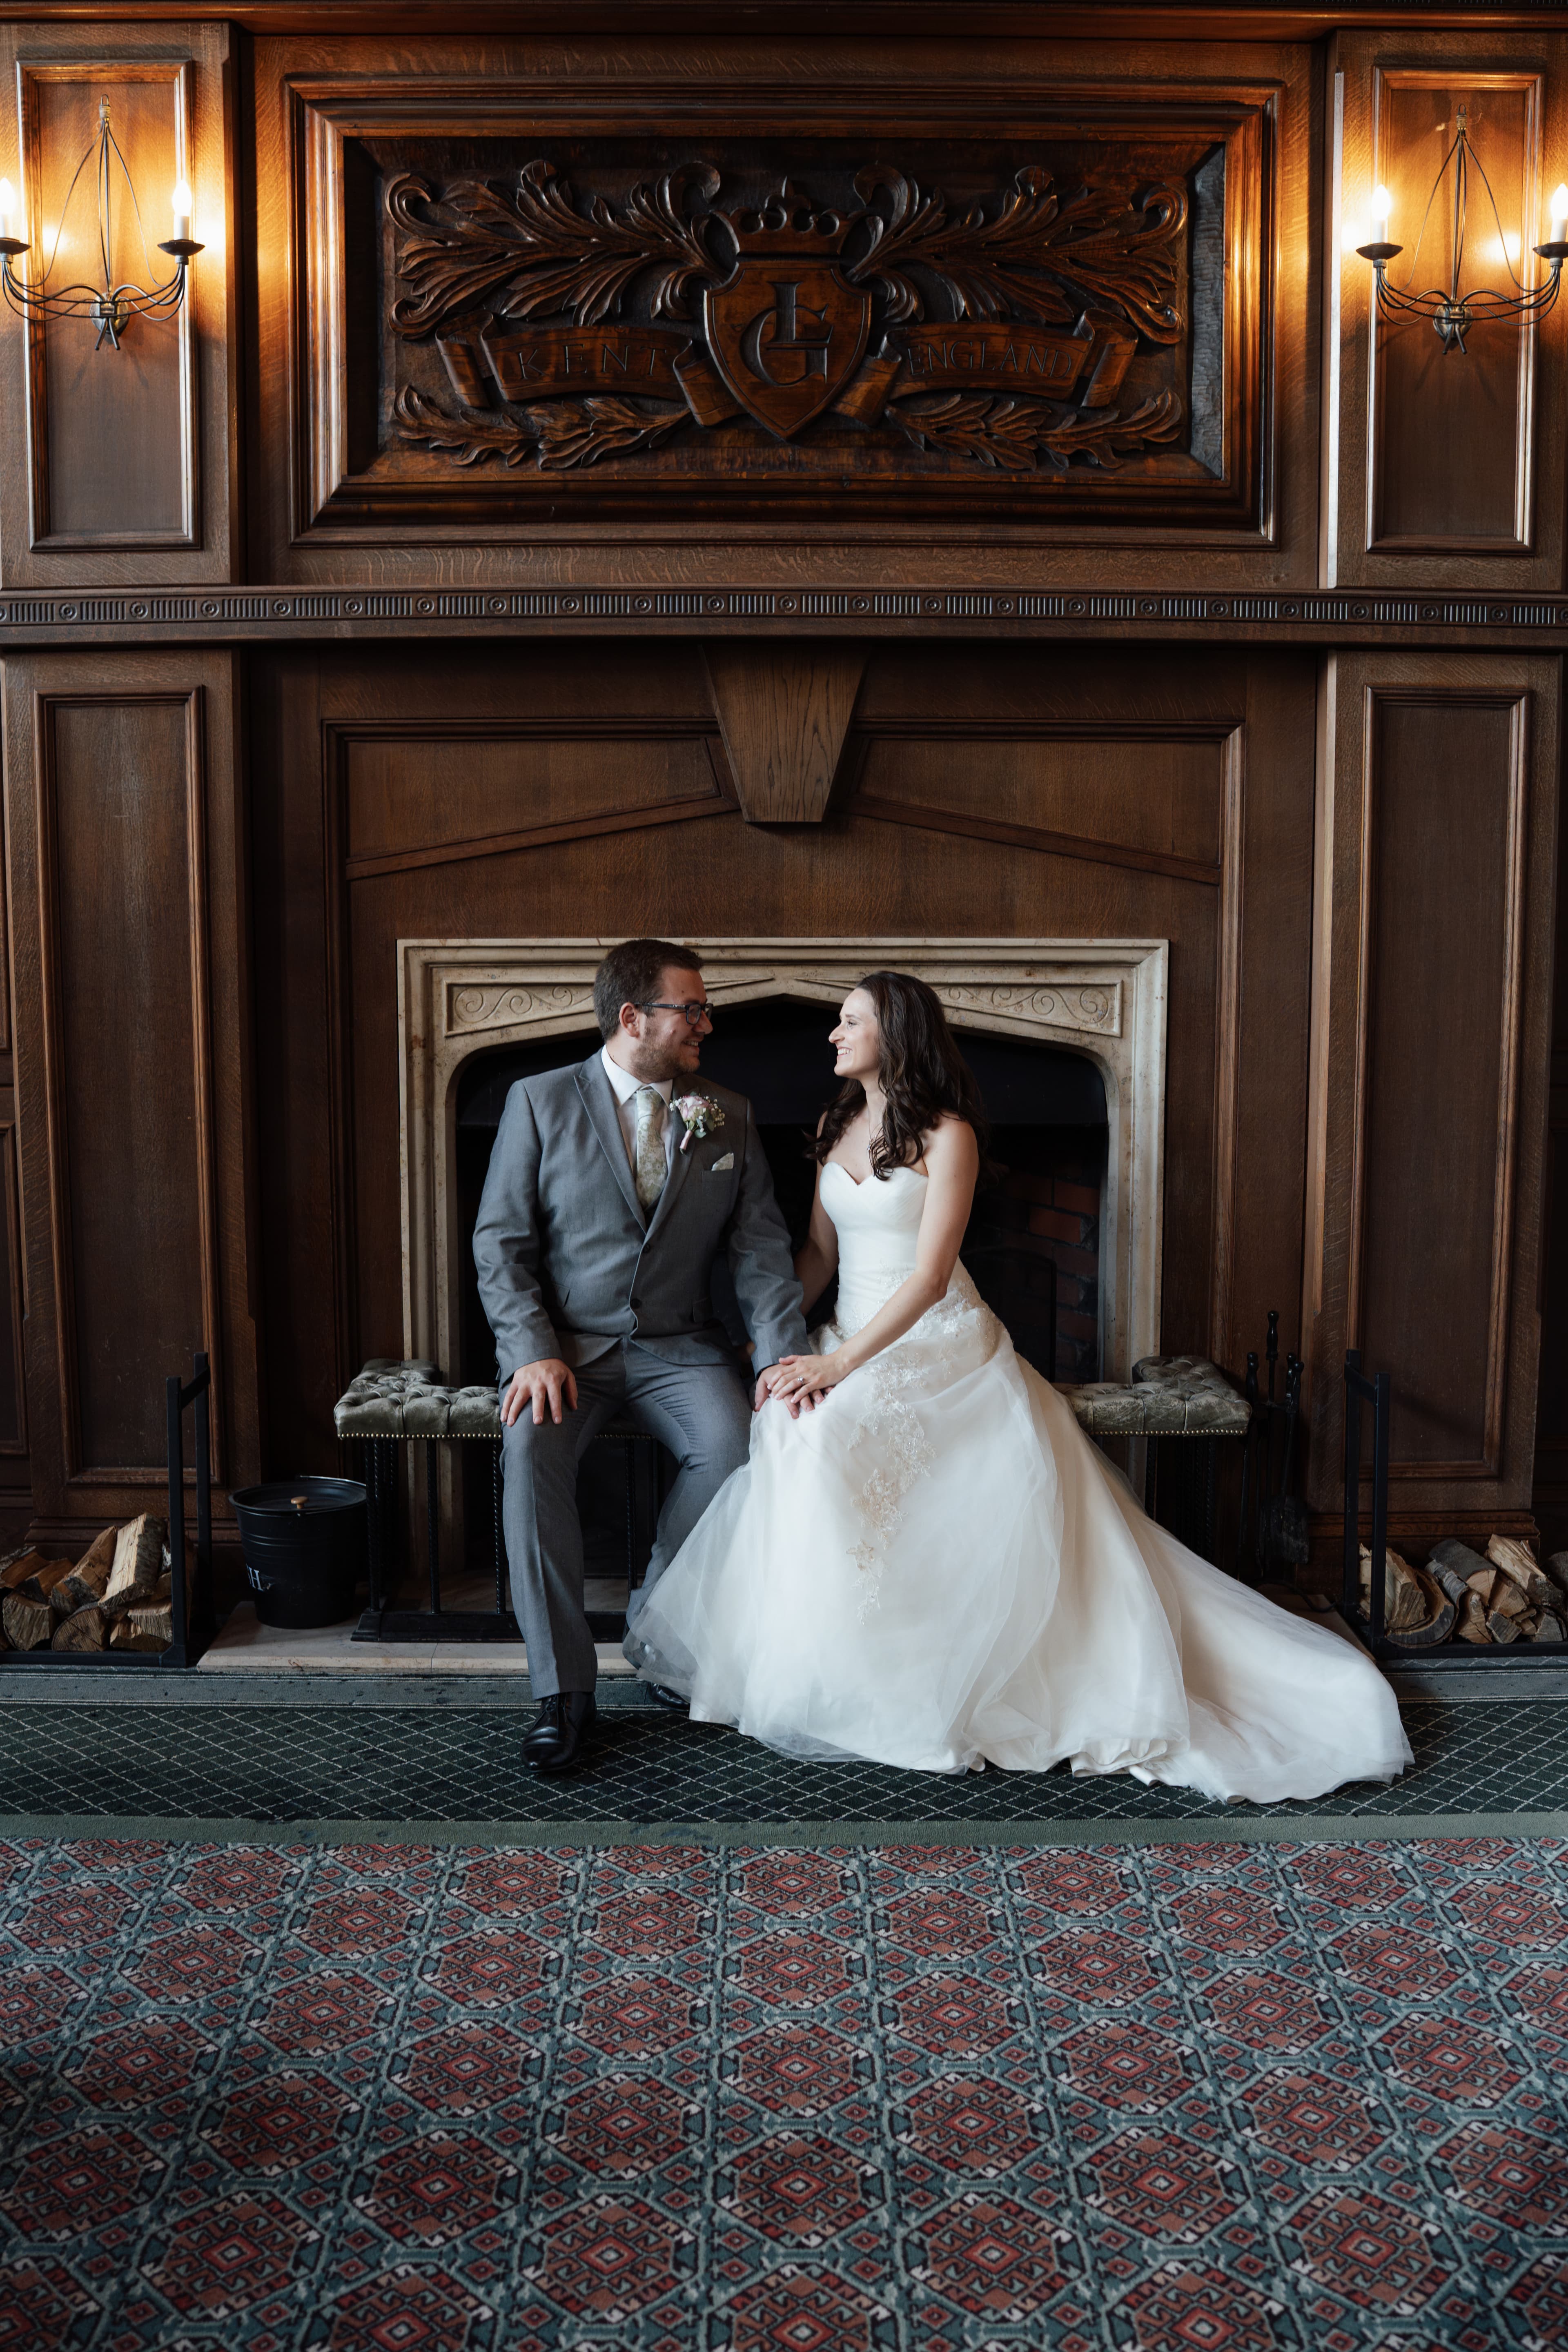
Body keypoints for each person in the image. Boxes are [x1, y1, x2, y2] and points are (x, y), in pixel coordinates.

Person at [625, 971, 1413, 1802]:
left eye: (850, 1021)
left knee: (829, 1428)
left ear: (895, 1033)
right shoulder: (836, 1122)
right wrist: (776, 1345)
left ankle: (918, 1685)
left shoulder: (948, 1135)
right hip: (847, 1335)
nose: (833, 1035)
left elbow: (930, 1279)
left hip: (932, 1344)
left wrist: (839, 1367)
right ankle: (826, 1666)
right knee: (792, 1425)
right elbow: (819, 1255)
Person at [473, 938, 808, 1774]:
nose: (706, 1021)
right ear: (633, 1018)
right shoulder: (540, 1101)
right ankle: (563, 1693)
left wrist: (780, 1359)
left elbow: (762, 1251)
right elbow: (500, 1243)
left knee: (736, 1449)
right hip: (568, 1356)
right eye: (690, 1008)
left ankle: (656, 1613)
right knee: (528, 1452)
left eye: (703, 1007)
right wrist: (531, 1352)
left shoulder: (726, 1112)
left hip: (679, 1348)